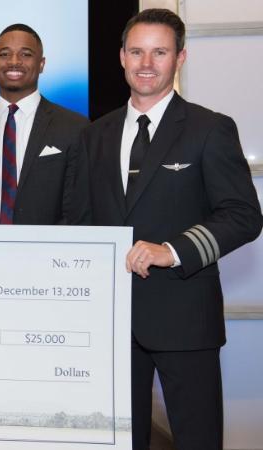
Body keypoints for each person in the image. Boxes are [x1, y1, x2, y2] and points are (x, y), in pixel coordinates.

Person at [77, 8, 262, 449]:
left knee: (197, 440)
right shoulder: (94, 136)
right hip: (113, 323)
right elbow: (81, 221)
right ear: (121, 57)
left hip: (185, 320)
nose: (146, 63)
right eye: (137, 51)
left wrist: (172, 250)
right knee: (120, 441)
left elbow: (243, 215)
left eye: (159, 52)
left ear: (180, 58)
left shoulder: (209, 128)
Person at [0, 24, 89, 225]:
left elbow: (77, 209)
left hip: (49, 252)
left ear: (41, 64)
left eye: (25, 55)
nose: (14, 62)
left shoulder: (75, 127)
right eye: (4, 54)